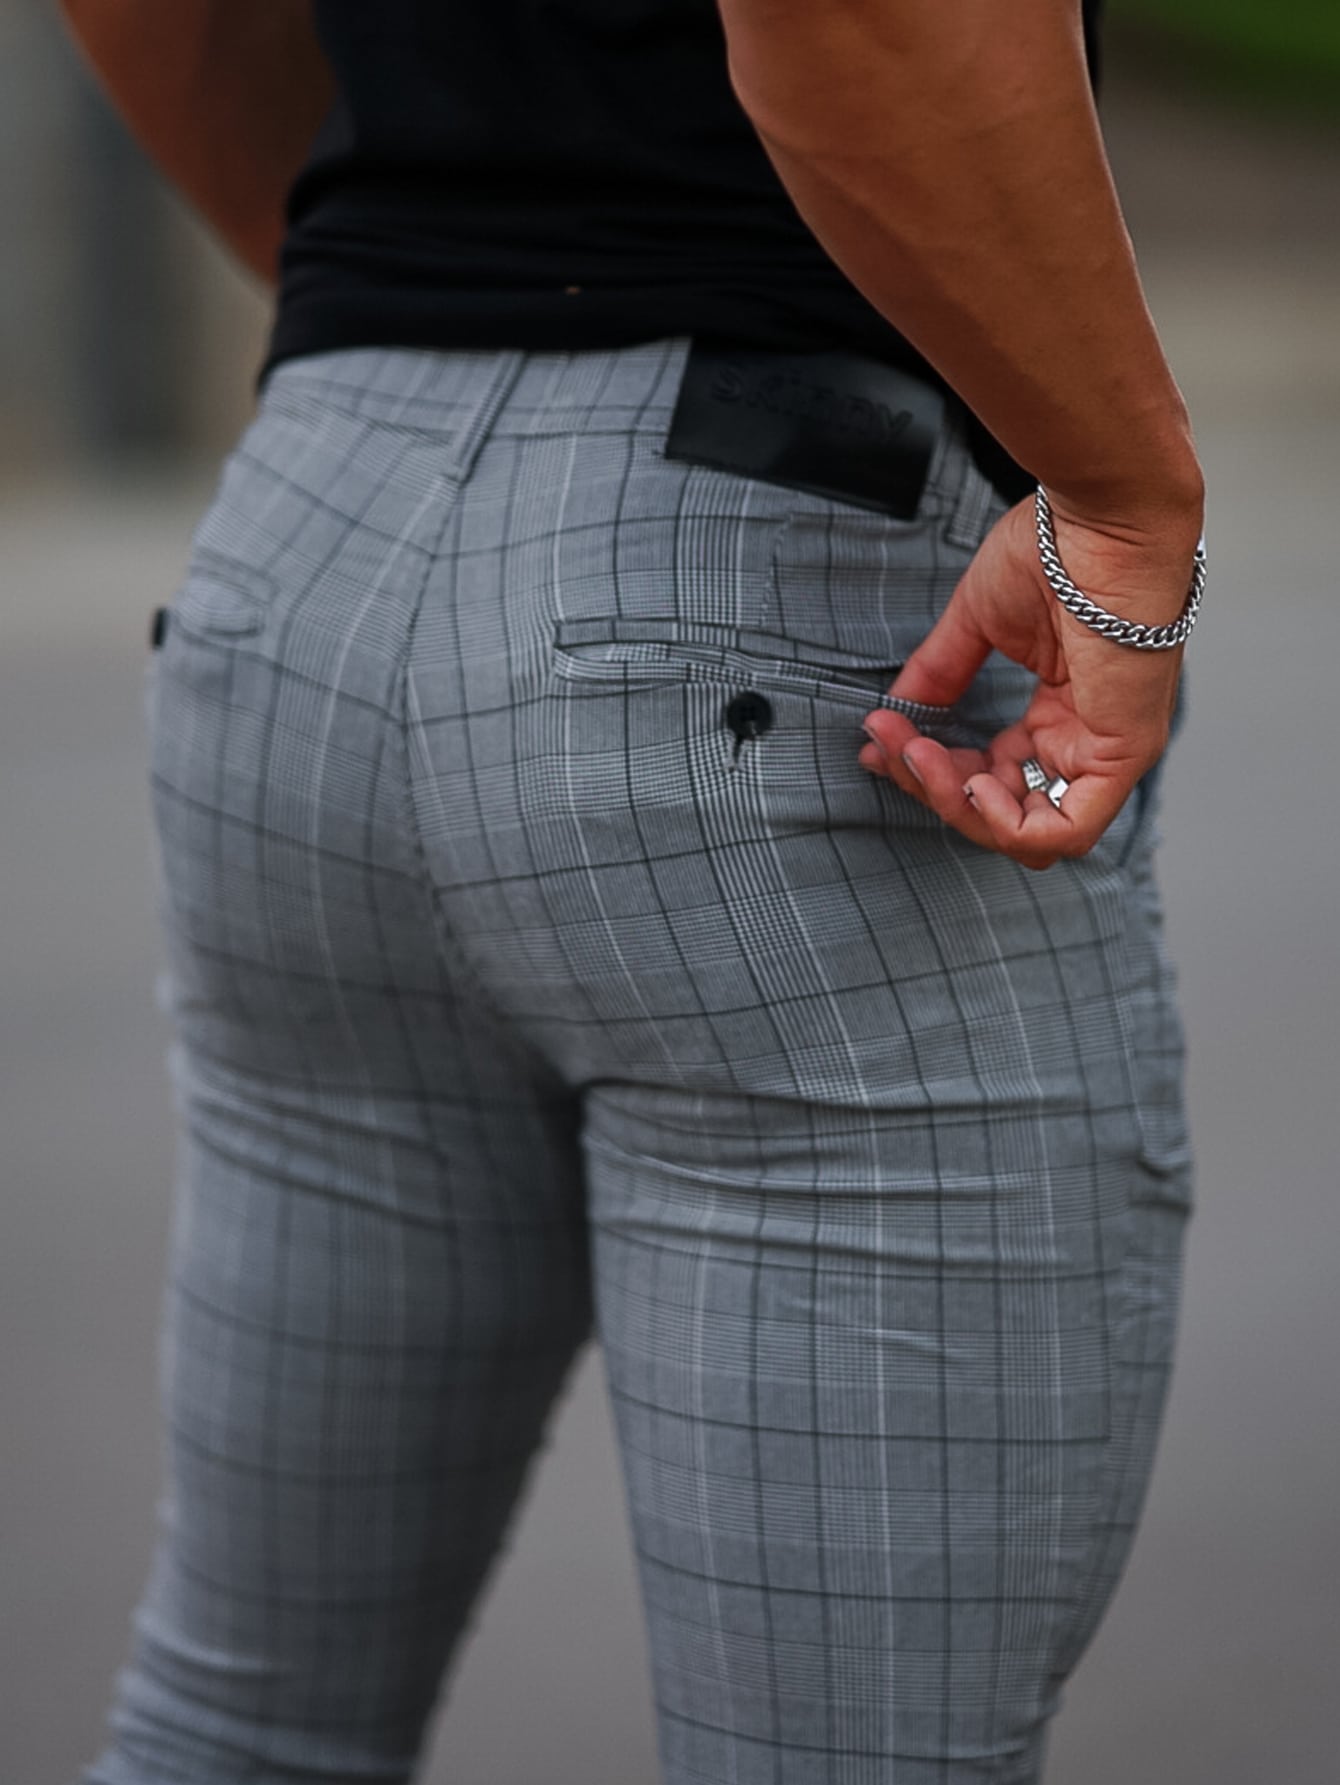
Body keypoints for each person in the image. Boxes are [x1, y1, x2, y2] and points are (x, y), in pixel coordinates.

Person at [61, 1, 1202, 1781]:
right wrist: (1125, 496)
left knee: (235, 1726)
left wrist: (416, 301)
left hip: (320, 501)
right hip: (774, 535)